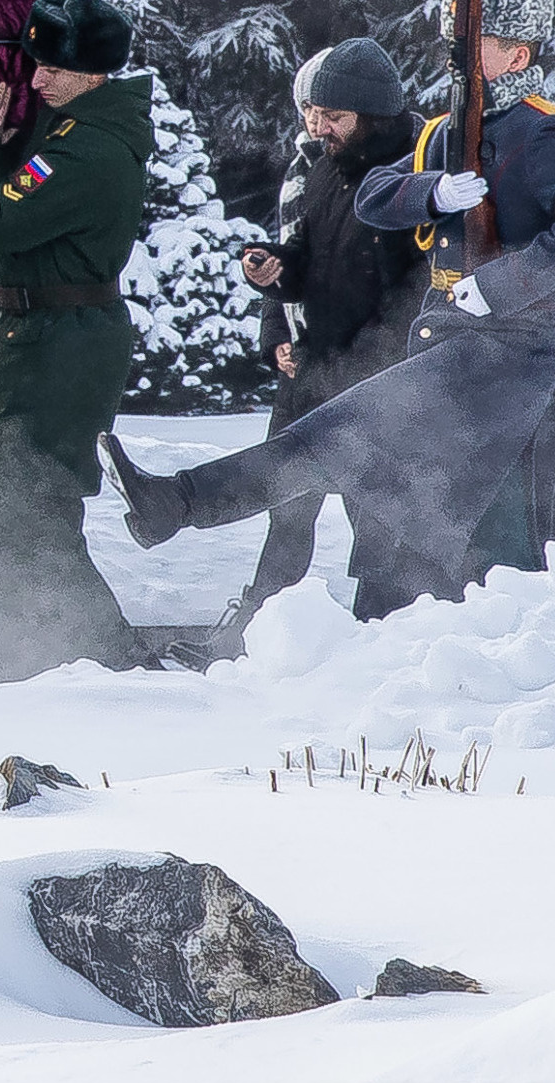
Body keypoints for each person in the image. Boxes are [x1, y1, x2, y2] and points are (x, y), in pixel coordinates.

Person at [105, 0, 555, 616]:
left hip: (507, 354)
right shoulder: (442, 132)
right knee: (394, 501)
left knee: (338, 436)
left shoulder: (541, 134)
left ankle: (178, 504)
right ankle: (371, 630)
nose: (454, 55)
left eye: (472, 42)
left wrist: (499, 285)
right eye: (451, 42)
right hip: (446, 345)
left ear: (517, 55)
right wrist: (433, 193)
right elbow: (376, 198)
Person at [166, 38, 419, 664]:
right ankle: (254, 634)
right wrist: (274, 274)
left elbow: (410, 294)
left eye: (331, 116)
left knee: (379, 519)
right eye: (313, 113)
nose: (316, 126)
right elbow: (305, 261)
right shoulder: (323, 168)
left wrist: (366, 365)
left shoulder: (411, 173)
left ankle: (387, 639)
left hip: (377, 383)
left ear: (372, 114)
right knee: (287, 507)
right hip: (314, 370)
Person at [0, 0, 150, 679]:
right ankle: (33, 656)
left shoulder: (83, 150)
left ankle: (110, 662)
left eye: (52, 70)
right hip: (40, 335)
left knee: (35, 509)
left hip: (61, 344)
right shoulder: (64, 132)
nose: (35, 80)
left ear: (94, 74)